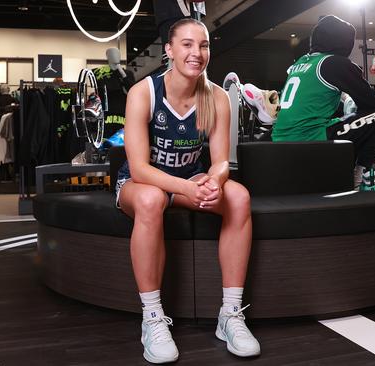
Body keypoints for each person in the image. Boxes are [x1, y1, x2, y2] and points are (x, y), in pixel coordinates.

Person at [115, 18, 260, 364]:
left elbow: (222, 161)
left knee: (239, 196)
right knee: (151, 199)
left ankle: (230, 315)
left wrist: (214, 181)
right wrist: (187, 187)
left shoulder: (218, 98)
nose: (197, 52)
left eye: (204, 45)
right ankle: (152, 318)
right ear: (169, 50)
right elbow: (139, 169)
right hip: (143, 185)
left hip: (188, 183)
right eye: (187, 44)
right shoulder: (143, 93)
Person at [271, 15, 375, 191]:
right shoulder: (334, 63)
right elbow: (371, 103)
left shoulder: (301, 62)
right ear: (344, 41)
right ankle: (362, 178)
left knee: (342, 113)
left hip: (280, 139)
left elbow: (313, 102)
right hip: (309, 138)